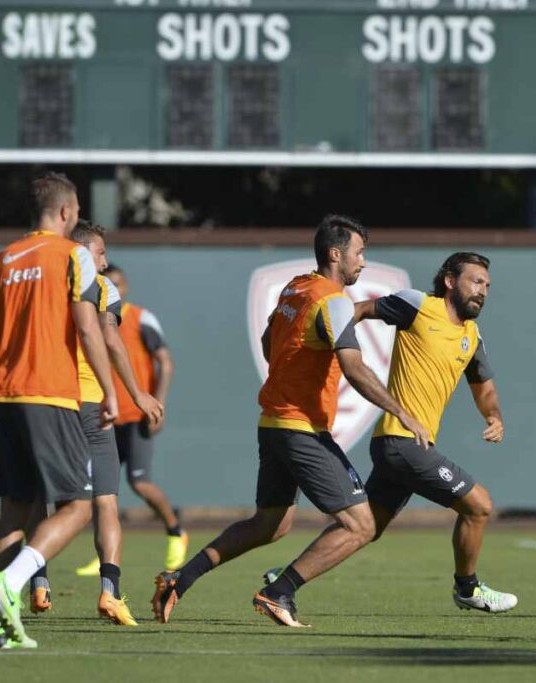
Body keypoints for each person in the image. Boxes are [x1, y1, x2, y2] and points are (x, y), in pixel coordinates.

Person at [151, 214, 430, 627]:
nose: (363, 263)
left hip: (274, 424)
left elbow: (269, 343)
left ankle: (180, 579)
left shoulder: (296, 287)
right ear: (336, 254)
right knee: (361, 524)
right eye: (359, 253)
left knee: (271, 524)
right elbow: (353, 368)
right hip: (301, 428)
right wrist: (401, 411)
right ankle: (279, 592)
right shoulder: (332, 301)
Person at [265, 252, 517, 613]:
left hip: (408, 446)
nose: (483, 291)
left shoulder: (472, 336)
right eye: (476, 281)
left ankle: (285, 579)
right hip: (400, 441)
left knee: (365, 529)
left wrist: (494, 417)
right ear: (449, 281)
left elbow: (485, 389)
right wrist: (320, 337)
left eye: (487, 285)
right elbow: (357, 311)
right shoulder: (417, 305)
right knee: (479, 506)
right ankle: (468, 588)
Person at [0, 173, 117, 649]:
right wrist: (111, 390)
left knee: (13, 514)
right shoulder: (72, 255)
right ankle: (13, 582)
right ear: (66, 213)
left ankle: (3, 625)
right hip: (49, 394)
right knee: (76, 508)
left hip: (4, 399)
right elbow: (90, 329)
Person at [0, 221, 165, 630]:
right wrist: (131, 393)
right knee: (100, 503)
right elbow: (106, 335)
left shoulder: (35, 289)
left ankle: (36, 585)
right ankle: (109, 590)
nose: (106, 261)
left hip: (34, 401)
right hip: (80, 403)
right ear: (83, 253)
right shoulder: (99, 286)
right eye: (100, 253)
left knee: (29, 503)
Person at [71, 263, 186, 574]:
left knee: (140, 482)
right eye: (110, 284)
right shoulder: (87, 316)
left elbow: (166, 362)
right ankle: (104, 555)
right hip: (104, 413)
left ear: (126, 287)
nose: (115, 289)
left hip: (136, 415)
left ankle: (176, 530)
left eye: (119, 284)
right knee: (101, 490)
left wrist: (158, 404)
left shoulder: (139, 318)